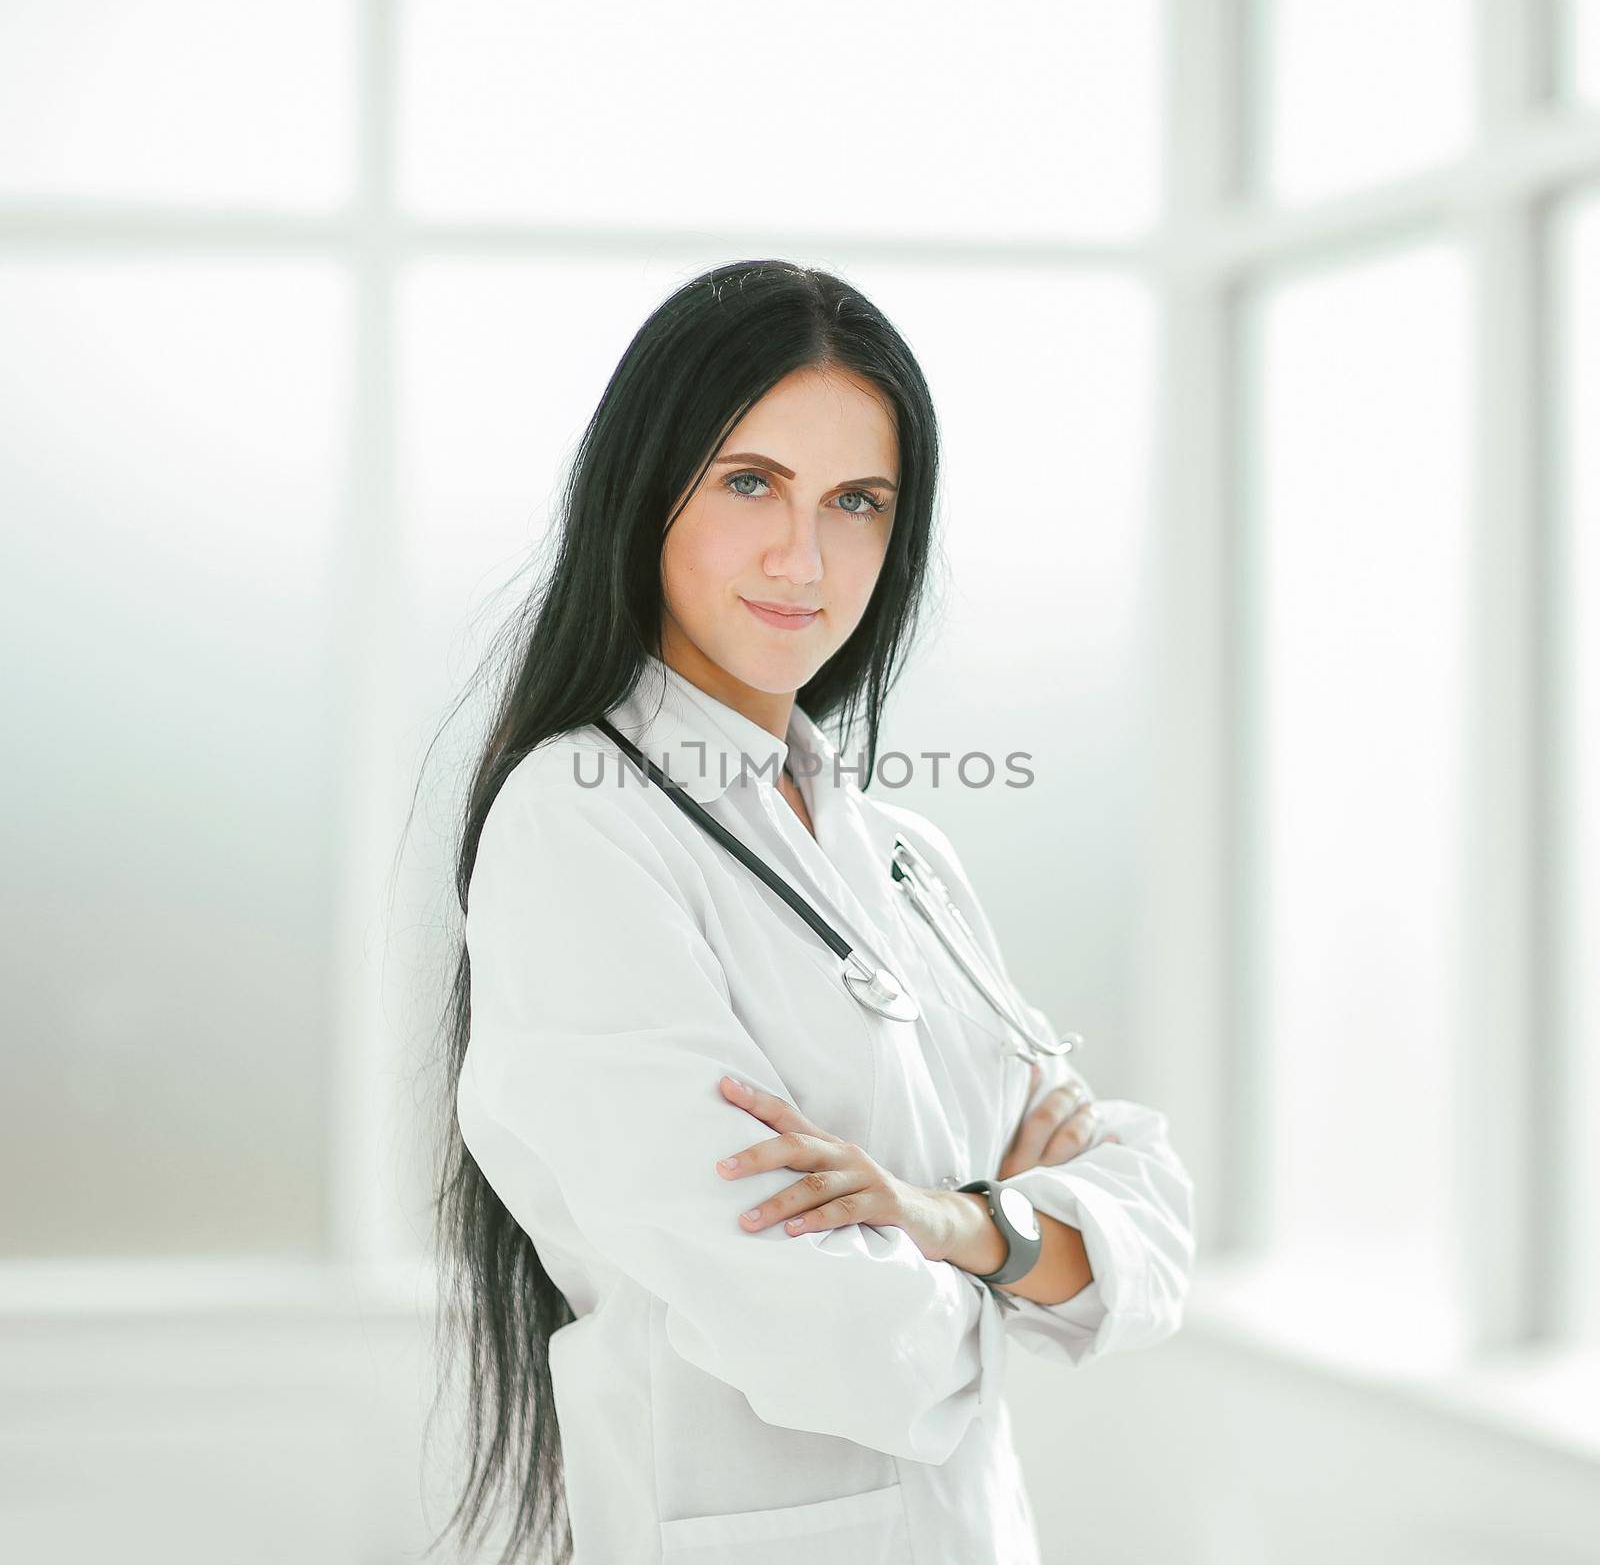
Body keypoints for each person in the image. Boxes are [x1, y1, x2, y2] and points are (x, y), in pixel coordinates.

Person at [423, 258, 1196, 1565]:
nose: (804, 556)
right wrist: (1020, 1249)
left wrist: (939, 1218)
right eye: (749, 484)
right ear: (641, 490)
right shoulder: (579, 824)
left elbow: (1153, 1224)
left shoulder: (898, 851)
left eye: (857, 502)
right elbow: (816, 1331)